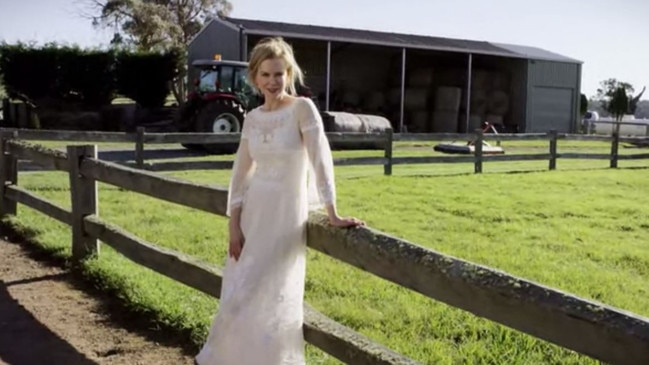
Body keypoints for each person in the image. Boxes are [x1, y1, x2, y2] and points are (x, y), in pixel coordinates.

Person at [195, 37, 364, 365]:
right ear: (255, 77)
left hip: (285, 216)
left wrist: (333, 213)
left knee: (271, 294)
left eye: (279, 74)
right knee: (238, 294)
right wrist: (233, 225)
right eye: (265, 75)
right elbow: (241, 174)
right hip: (252, 215)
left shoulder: (302, 109)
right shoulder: (253, 117)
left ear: (289, 74)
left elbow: (320, 161)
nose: (272, 82)